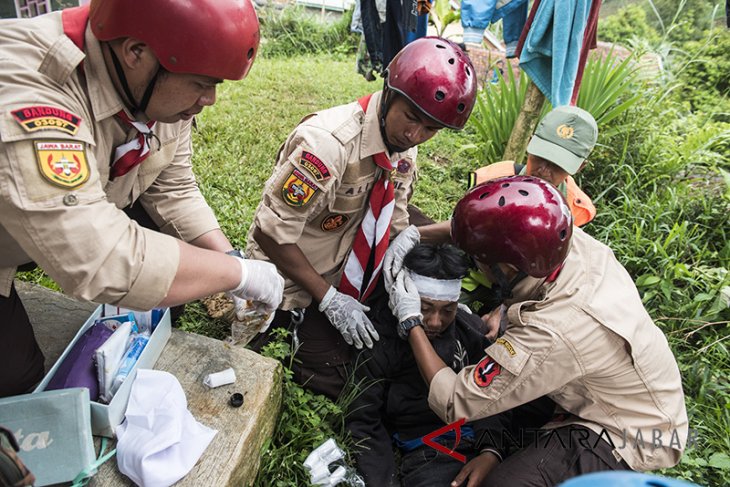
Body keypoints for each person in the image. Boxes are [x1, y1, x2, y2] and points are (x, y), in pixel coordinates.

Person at [0, 0, 284, 398]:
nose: (210, 100)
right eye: (202, 83)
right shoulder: (32, 88)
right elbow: (99, 258)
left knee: (163, 244)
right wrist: (240, 276)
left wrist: (232, 259)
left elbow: (173, 188)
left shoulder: (152, 88)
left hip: (60, 211)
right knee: (15, 380)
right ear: (137, 52)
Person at [386, 176, 689, 485]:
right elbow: (501, 237)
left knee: (504, 483)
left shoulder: (552, 332)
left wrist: (411, 321)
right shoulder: (555, 243)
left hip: (629, 429)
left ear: (506, 268)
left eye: (478, 261)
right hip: (599, 380)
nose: (475, 266)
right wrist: (416, 235)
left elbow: (456, 400)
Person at [246, 37, 478, 399]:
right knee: (337, 381)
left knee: (420, 233)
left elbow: (398, 219)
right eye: (411, 118)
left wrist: (428, 286)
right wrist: (329, 299)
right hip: (297, 279)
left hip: (354, 260)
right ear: (388, 93)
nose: (414, 135)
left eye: (430, 130)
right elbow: (269, 234)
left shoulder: (403, 147)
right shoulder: (327, 146)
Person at [346, 243, 554, 486]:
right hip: (432, 446)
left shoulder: (469, 330)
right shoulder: (380, 341)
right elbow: (363, 420)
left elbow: (496, 395)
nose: (435, 322)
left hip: (484, 433)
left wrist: (491, 450)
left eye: (447, 310)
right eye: (424, 308)